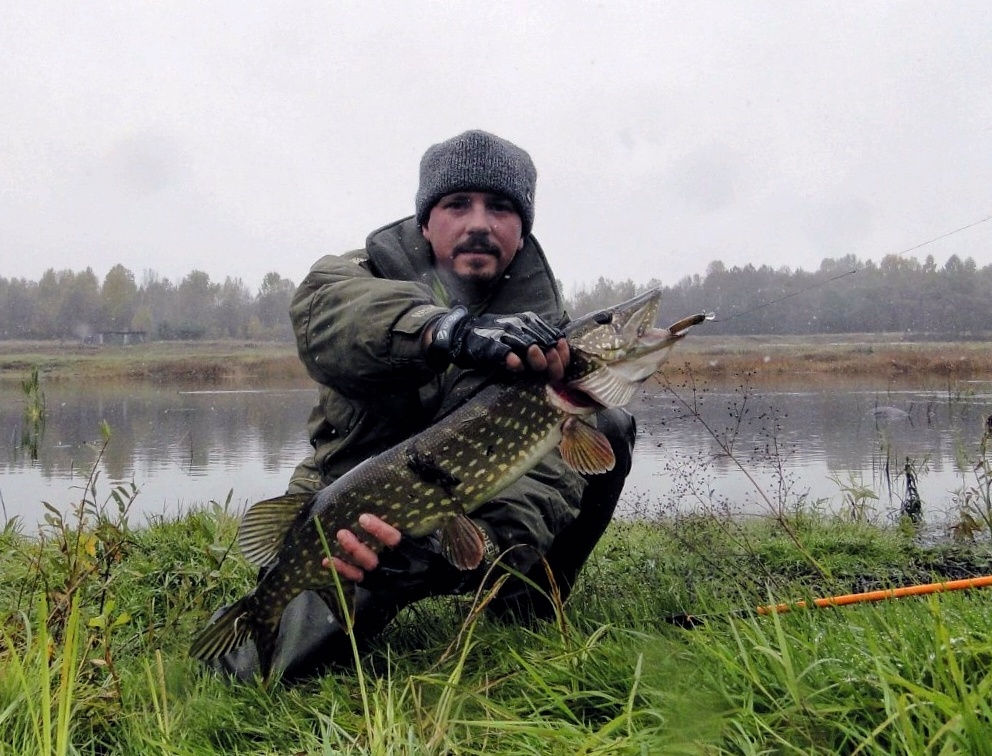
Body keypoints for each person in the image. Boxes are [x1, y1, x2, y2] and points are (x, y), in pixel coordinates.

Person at [213, 130, 636, 682]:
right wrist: (443, 331)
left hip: (458, 510)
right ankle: (255, 624)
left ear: (522, 228)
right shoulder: (358, 276)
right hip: (347, 513)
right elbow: (328, 320)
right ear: (425, 222)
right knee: (253, 673)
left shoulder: (547, 340)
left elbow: (550, 477)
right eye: (457, 204)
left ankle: (525, 602)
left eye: (501, 207)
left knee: (609, 422)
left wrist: (477, 547)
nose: (478, 223)